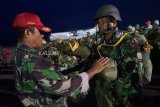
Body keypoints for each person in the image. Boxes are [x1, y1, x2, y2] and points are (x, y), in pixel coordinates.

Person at [13, 12, 109, 107]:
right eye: (40, 31)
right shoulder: (32, 61)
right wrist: (93, 71)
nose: (42, 35)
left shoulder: (20, 54)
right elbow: (65, 87)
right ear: (27, 32)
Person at [81, 4, 144, 107]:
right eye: (99, 22)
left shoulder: (128, 41)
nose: (99, 24)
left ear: (113, 22)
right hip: (104, 88)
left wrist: (130, 99)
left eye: (103, 21)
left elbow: (135, 73)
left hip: (122, 92)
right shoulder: (99, 40)